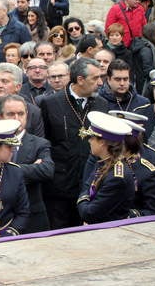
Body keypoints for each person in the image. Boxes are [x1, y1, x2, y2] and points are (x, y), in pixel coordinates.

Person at [38, 57, 108, 229]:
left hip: (90, 183)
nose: (100, 83)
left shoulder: (101, 104)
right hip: (59, 186)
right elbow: (45, 141)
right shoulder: (50, 103)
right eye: (95, 78)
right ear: (80, 79)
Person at [0, 94, 54, 233]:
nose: (17, 119)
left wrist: (6, 169)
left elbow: (47, 170)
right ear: (0, 116)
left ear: (27, 115)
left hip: (32, 218)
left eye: (21, 114)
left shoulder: (39, 143)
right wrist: (32, 168)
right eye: (11, 114)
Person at [77, 112, 135, 224]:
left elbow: (89, 213)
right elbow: (87, 186)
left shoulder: (116, 177)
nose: (89, 141)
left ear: (102, 142)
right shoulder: (103, 163)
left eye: (92, 138)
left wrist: (82, 201)